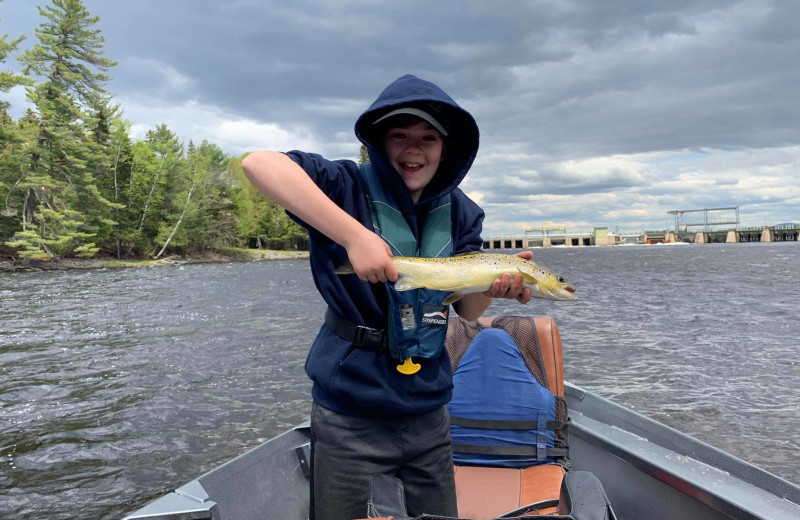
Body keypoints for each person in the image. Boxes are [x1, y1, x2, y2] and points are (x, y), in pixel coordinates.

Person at [241, 74, 532, 520]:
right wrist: (354, 236)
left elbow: (467, 310)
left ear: (446, 149)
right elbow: (259, 164)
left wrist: (496, 290)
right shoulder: (342, 183)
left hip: (429, 408)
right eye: (400, 136)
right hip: (350, 409)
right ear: (379, 142)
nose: (414, 149)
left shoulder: (462, 212)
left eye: (428, 138)